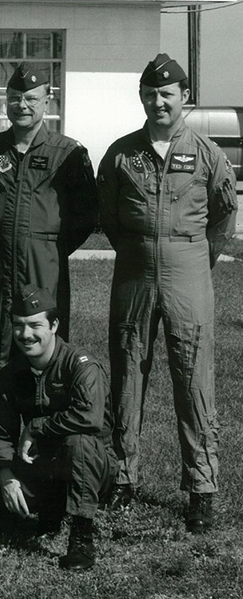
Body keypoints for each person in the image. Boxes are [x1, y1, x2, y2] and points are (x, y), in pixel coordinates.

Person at [97, 53, 236, 533]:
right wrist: (139, 251)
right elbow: (110, 217)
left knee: (194, 380)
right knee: (127, 375)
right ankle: (122, 478)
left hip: (188, 273)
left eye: (167, 94)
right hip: (134, 273)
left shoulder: (207, 154)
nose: (159, 101)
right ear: (142, 97)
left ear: (185, 99)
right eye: (151, 93)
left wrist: (197, 258)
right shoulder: (121, 154)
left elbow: (223, 214)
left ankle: (201, 488)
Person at [0, 63, 97, 436]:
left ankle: (46, 443)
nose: (21, 105)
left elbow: (85, 217)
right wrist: (1, 245)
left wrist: (48, 248)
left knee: (46, 350)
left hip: (47, 266)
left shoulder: (68, 153)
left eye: (30, 98)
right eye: (14, 98)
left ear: (47, 100)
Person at [0, 287, 115, 570]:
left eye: (34, 325)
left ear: (54, 325)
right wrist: (6, 475)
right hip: (40, 467)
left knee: (78, 443)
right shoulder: (12, 372)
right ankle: (41, 512)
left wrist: (36, 427)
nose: (25, 334)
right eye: (18, 326)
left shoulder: (80, 365)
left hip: (89, 465)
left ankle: (81, 535)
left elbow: (91, 418)